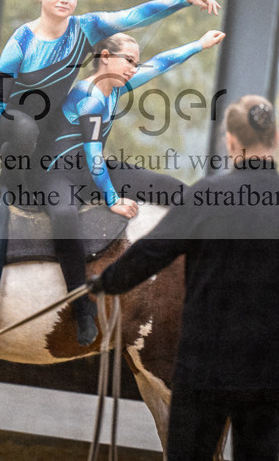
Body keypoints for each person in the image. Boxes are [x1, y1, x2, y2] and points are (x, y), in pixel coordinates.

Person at [88, 95, 279, 459]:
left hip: (204, 364)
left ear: (230, 141)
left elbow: (150, 253)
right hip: (269, 372)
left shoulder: (205, 196)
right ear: (275, 138)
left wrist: (105, 283)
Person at [39, 29, 225, 345]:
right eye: (128, 61)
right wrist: (112, 198)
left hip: (92, 170)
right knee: (65, 217)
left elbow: (160, 63)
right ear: (105, 58)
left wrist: (199, 43)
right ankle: (80, 305)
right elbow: (94, 154)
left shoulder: (115, 89)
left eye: (135, 63)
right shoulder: (91, 96)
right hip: (60, 174)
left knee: (173, 188)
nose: (134, 69)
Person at [0, 0, 221, 190]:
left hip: (42, 132)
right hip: (4, 125)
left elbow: (135, 16)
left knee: (40, 138)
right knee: (25, 128)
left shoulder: (85, 28)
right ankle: (7, 194)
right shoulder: (22, 41)